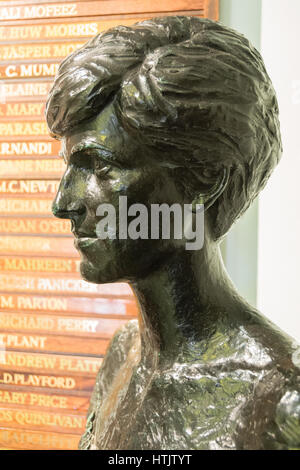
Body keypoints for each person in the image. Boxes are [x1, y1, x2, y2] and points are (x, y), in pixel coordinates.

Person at [46, 16, 300, 450]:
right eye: (69, 165)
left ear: (204, 179)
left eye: (100, 165)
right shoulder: (123, 354)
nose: (62, 204)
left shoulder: (279, 400)